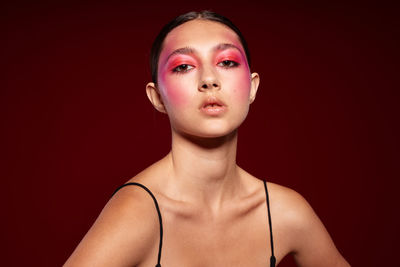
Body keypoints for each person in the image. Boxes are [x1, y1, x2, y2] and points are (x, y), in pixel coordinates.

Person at [64, 11, 350, 267]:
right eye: (184, 66)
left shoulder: (284, 211)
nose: (209, 79)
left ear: (252, 87)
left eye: (226, 62)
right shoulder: (138, 211)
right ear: (157, 97)